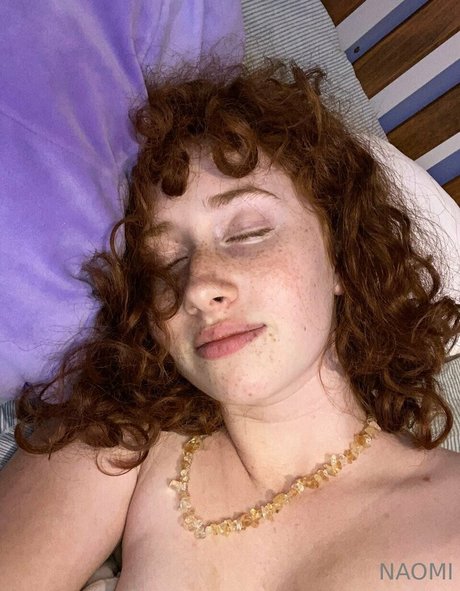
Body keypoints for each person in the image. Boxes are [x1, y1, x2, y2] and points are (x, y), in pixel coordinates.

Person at [0, 60, 459, 591]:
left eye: (248, 233)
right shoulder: (119, 433)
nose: (197, 286)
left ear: (339, 257)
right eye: (167, 261)